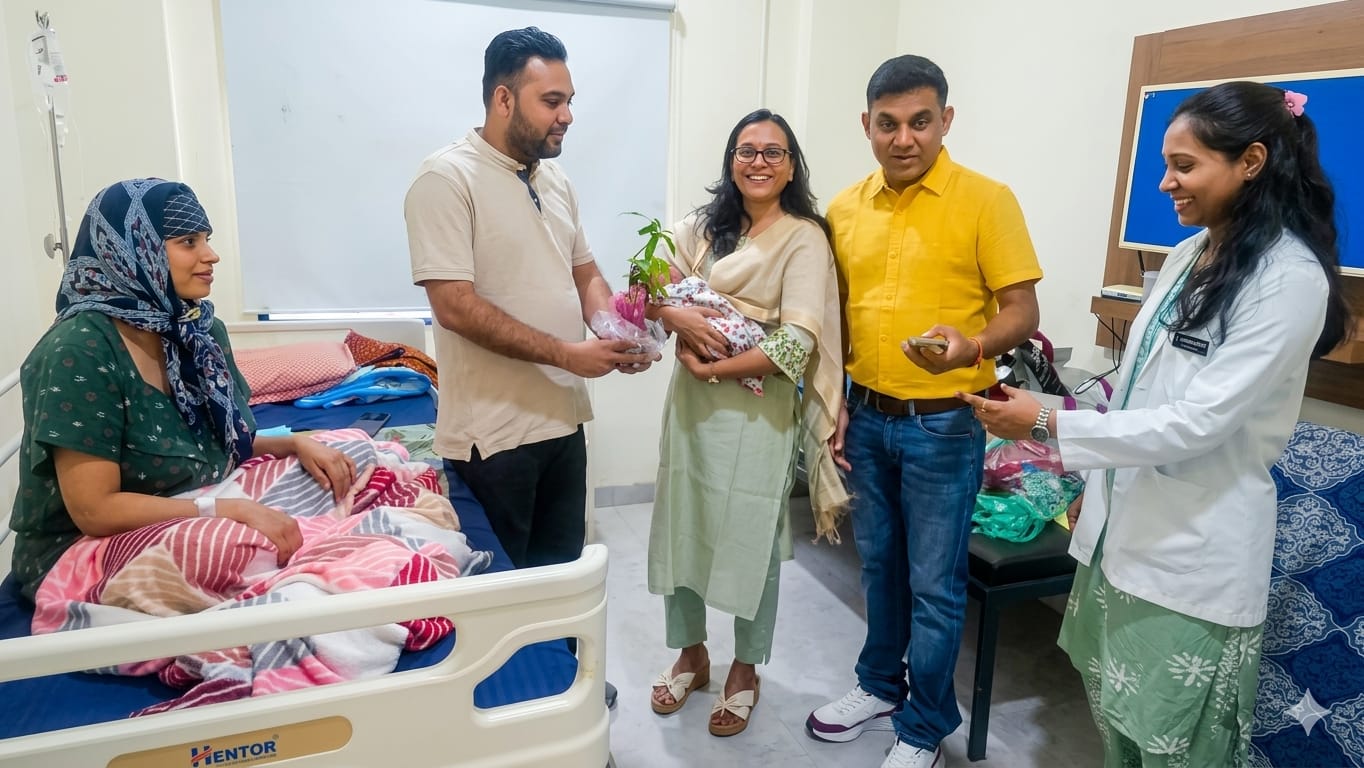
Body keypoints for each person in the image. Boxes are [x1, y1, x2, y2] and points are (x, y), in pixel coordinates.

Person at [959, 81, 1348, 767]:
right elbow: (1137, 394)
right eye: (1166, 164)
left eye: (1185, 165)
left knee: (1175, 744)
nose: (1166, 183)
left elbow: (1198, 425)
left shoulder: (1288, 279)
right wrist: (1085, 477)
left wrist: (1046, 423)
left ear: (1251, 161)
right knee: (1120, 725)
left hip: (1191, 559)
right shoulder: (1188, 256)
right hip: (1123, 538)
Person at [403, 26, 653, 709]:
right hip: (493, 437)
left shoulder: (554, 179)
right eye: (552, 101)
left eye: (570, 100)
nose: (567, 115)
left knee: (560, 579)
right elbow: (455, 307)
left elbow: (586, 272)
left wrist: (615, 331)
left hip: (561, 421)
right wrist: (567, 353)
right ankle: (513, 717)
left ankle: (564, 698)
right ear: (504, 99)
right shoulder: (445, 179)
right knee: (501, 597)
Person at [805, 55, 1043, 768]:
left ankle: (925, 722)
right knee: (878, 565)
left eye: (919, 122)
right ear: (866, 125)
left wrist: (974, 345)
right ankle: (879, 685)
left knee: (935, 585)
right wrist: (836, 403)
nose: (903, 139)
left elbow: (1023, 311)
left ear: (946, 120)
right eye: (888, 124)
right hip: (867, 416)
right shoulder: (844, 209)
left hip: (944, 422)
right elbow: (835, 317)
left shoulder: (987, 200)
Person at [8, 178, 357, 603]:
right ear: (131, 251)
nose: (211, 255)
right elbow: (94, 511)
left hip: (197, 497)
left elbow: (211, 446)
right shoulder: (80, 351)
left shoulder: (196, 331)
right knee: (233, 548)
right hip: (85, 546)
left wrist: (295, 443)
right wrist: (223, 510)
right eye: (189, 242)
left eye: (207, 239)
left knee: (351, 454)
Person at [644, 109, 847, 737]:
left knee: (752, 536)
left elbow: (797, 342)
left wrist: (714, 367)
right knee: (683, 523)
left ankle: (745, 669)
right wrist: (675, 318)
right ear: (731, 160)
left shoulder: (803, 238)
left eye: (773, 152)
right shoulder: (703, 228)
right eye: (746, 150)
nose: (758, 162)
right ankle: (692, 654)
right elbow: (647, 280)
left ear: (791, 167)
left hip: (757, 411)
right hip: (691, 409)